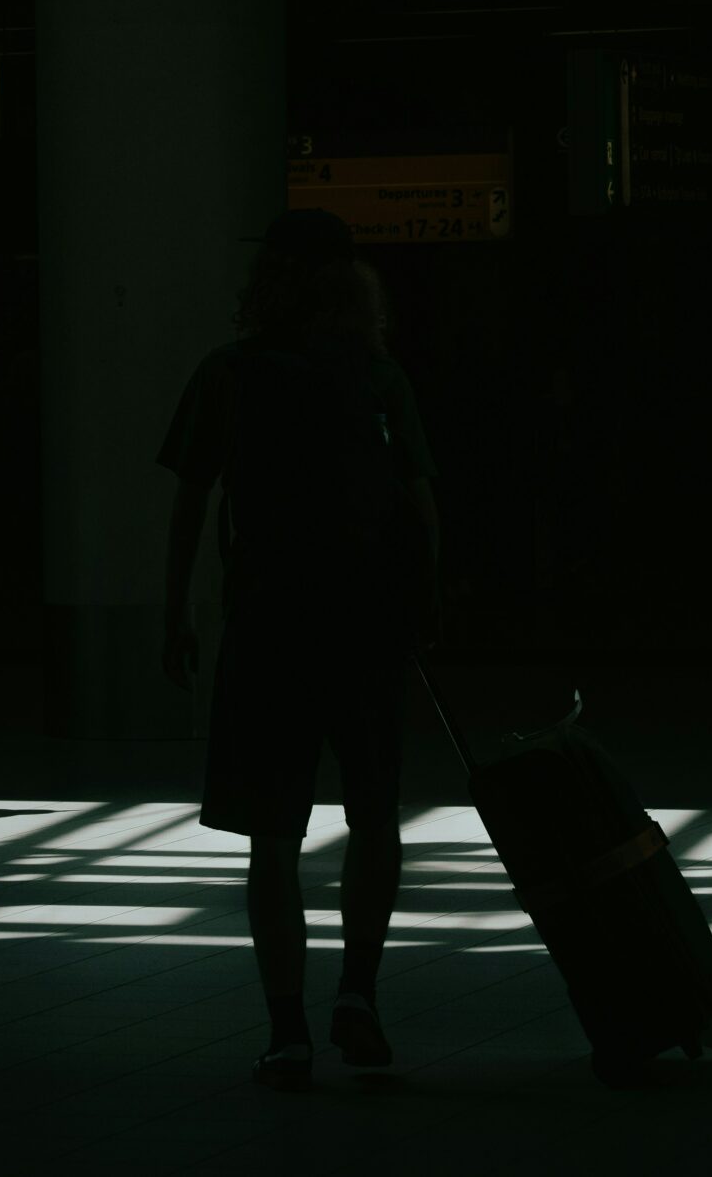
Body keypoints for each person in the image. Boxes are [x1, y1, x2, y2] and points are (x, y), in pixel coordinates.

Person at [158, 209, 441, 1092]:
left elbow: (192, 503)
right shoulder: (380, 377)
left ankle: (287, 1032)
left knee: (272, 839)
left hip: (269, 627)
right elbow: (422, 512)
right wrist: (422, 612)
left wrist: (176, 614)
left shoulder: (228, 373)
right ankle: (357, 988)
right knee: (374, 818)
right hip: (365, 627)